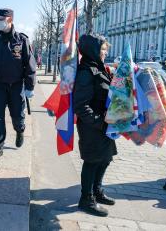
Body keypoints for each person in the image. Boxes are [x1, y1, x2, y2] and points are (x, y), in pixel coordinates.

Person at [0, 8, 36, 161]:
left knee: (17, 116)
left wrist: (30, 86)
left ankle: (20, 130)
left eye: (1, 19)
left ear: (10, 20)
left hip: (17, 85)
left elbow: (30, 64)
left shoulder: (21, 40)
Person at [73, 34, 117, 217]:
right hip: (92, 126)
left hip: (104, 124)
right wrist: (100, 121)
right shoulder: (86, 72)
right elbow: (80, 106)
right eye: (102, 49)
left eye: (106, 49)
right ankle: (86, 199)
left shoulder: (99, 68)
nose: (105, 53)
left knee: (105, 158)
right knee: (92, 161)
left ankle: (97, 190)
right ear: (93, 50)